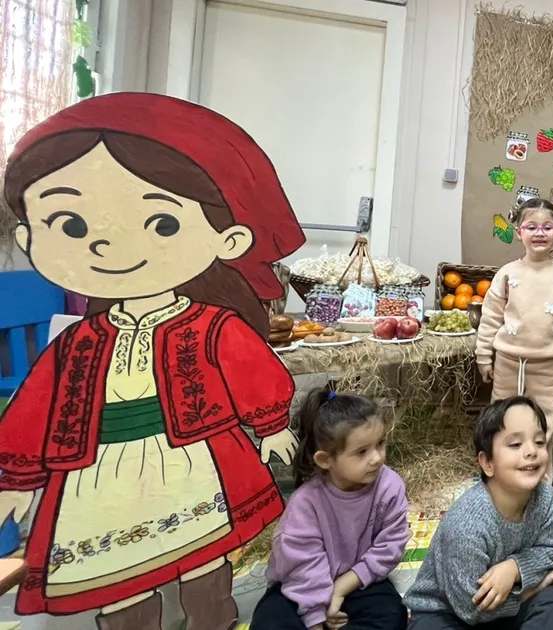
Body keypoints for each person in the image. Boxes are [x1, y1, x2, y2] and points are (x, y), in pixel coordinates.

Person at [0, 93, 303, 627]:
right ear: (28, 236)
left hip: (193, 463)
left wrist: (271, 424)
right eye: (71, 225)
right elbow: (35, 409)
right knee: (117, 582)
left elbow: (251, 370)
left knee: (205, 566)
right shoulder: (77, 343)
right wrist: (19, 478)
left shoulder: (212, 325)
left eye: (161, 224)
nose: (107, 246)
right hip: (96, 476)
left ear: (229, 240)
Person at [252, 387, 411, 630]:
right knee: (269, 621)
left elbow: (389, 547)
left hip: (358, 580)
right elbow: (301, 566)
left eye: (380, 443)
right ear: (326, 460)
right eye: (361, 452)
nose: (377, 458)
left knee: (392, 614)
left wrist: (340, 589)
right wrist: (315, 618)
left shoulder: (390, 487)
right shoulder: (306, 503)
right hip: (300, 587)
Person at [406, 397, 553, 630]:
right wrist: (531, 589)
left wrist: (514, 568)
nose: (531, 451)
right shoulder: (467, 524)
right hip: (447, 613)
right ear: (487, 463)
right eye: (515, 444)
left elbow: (551, 551)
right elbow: (470, 608)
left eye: (539, 442)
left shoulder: (544, 497)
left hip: (505, 605)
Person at [476, 198, 553, 479]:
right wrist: (484, 356)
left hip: (547, 364)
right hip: (507, 361)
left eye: (547, 227)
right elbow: (490, 317)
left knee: (543, 419)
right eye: (531, 227)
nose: (540, 233)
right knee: (502, 416)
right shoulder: (507, 273)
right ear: (519, 232)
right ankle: (501, 473)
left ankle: (540, 477)